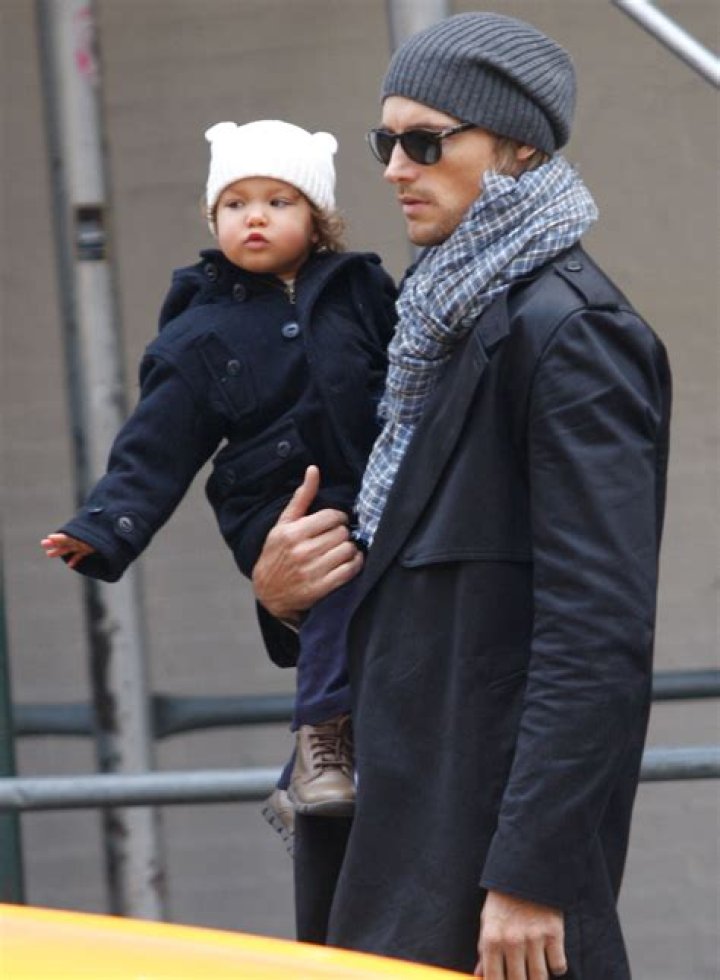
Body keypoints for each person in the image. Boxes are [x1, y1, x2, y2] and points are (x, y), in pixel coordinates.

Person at [251, 13, 672, 980]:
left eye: (426, 142)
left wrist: (533, 875)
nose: (396, 168)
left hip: (486, 881)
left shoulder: (571, 334)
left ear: (519, 146)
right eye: (385, 142)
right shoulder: (433, 325)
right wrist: (284, 595)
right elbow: (407, 589)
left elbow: (597, 632)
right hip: (396, 840)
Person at [40, 118, 397, 848]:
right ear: (214, 220)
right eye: (236, 204)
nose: (254, 217)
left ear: (318, 220)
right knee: (336, 587)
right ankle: (319, 744)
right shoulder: (197, 332)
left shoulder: (362, 290)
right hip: (272, 498)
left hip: (366, 485)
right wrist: (104, 528)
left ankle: (305, 778)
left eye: (278, 201)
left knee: (386, 613)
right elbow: (155, 447)